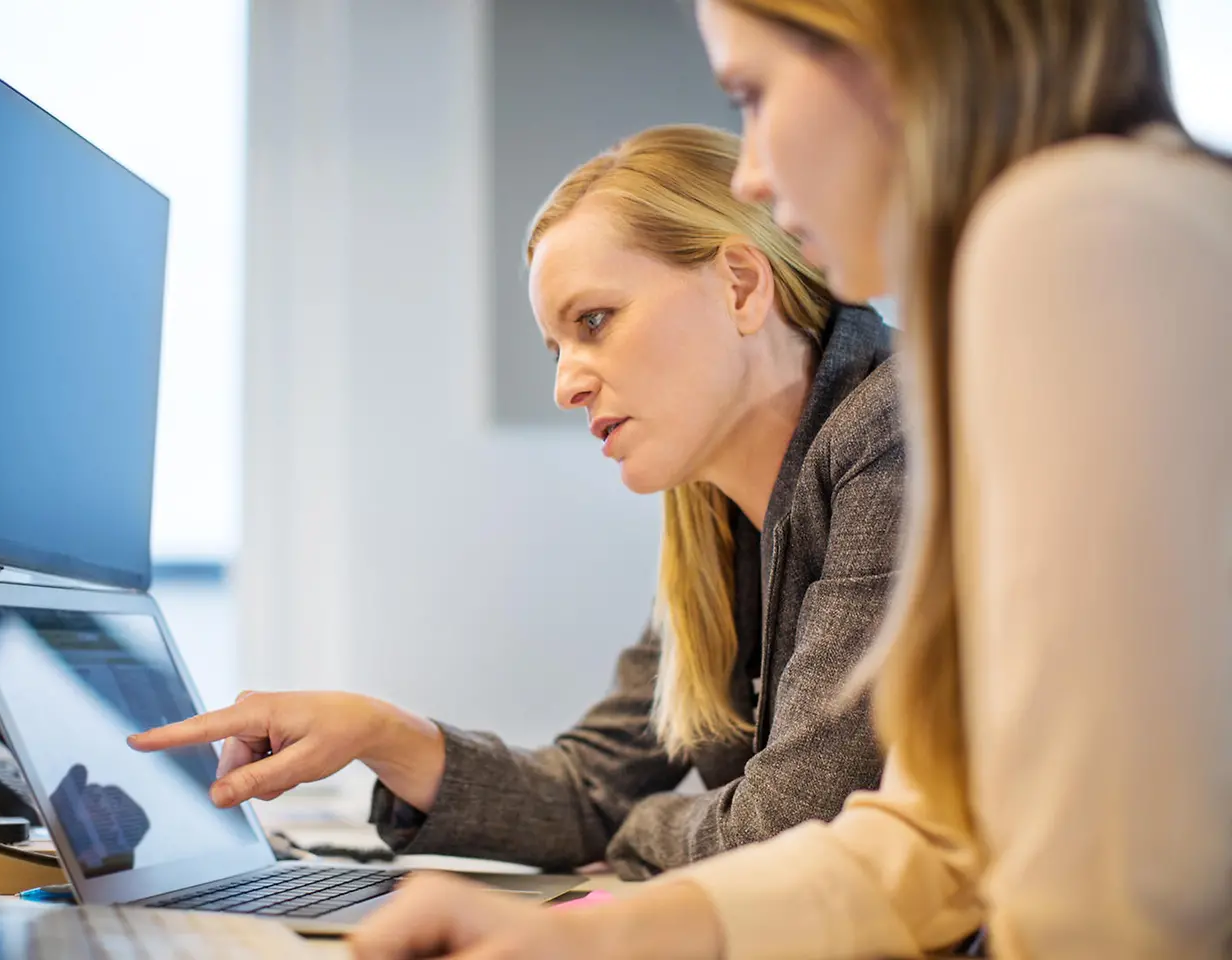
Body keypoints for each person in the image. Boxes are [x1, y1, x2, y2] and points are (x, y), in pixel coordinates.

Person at [344, 1, 1232, 957]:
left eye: (752, 96)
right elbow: (935, 840)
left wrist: (634, 849)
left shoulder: (1071, 234)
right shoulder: (725, 503)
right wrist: (595, 931)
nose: (755, 172)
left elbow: (1123, 902)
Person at [131, 124, 907, 880]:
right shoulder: (711, 523)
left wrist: (641, 830)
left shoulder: (892, 430)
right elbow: (592, 789)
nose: (567, 384)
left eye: (594, 321)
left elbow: (787, 835)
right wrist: (380, 732)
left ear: (740, 285)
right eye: (558, 346)